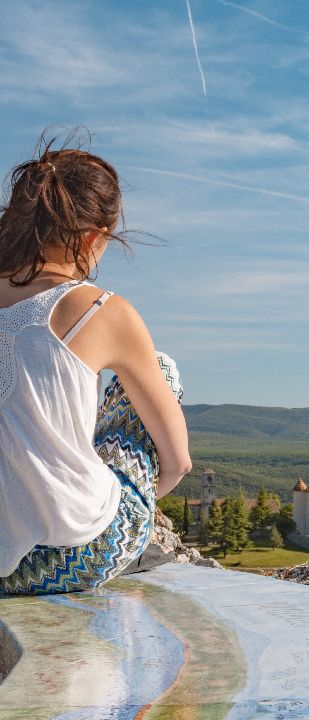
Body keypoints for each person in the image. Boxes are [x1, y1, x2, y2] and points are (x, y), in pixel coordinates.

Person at [0, 134, 192, 595]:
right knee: (159, 368)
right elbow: (178, 462)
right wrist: (138, 507)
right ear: (91, 237)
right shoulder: (100, 310)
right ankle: (130, 538)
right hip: (75, 556)